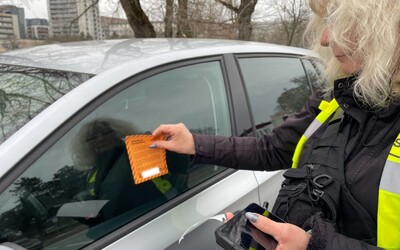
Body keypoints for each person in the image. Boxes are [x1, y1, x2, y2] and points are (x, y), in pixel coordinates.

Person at [150, 0, 400, 249]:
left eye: (338, 20)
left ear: (386, 24)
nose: (324, 38)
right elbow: (271, 149)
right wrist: (195, 143)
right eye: (327, 22)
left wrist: (314, 246)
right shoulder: (337, 98)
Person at [70, 118, 167, 223]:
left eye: (105, 133)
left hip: (161, 213)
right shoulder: (93, 174)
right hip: (121, 227)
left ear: (117, 133)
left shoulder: (139, 153)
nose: (100, 139)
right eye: (92, 138)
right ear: (87, 145)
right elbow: (101, 207)